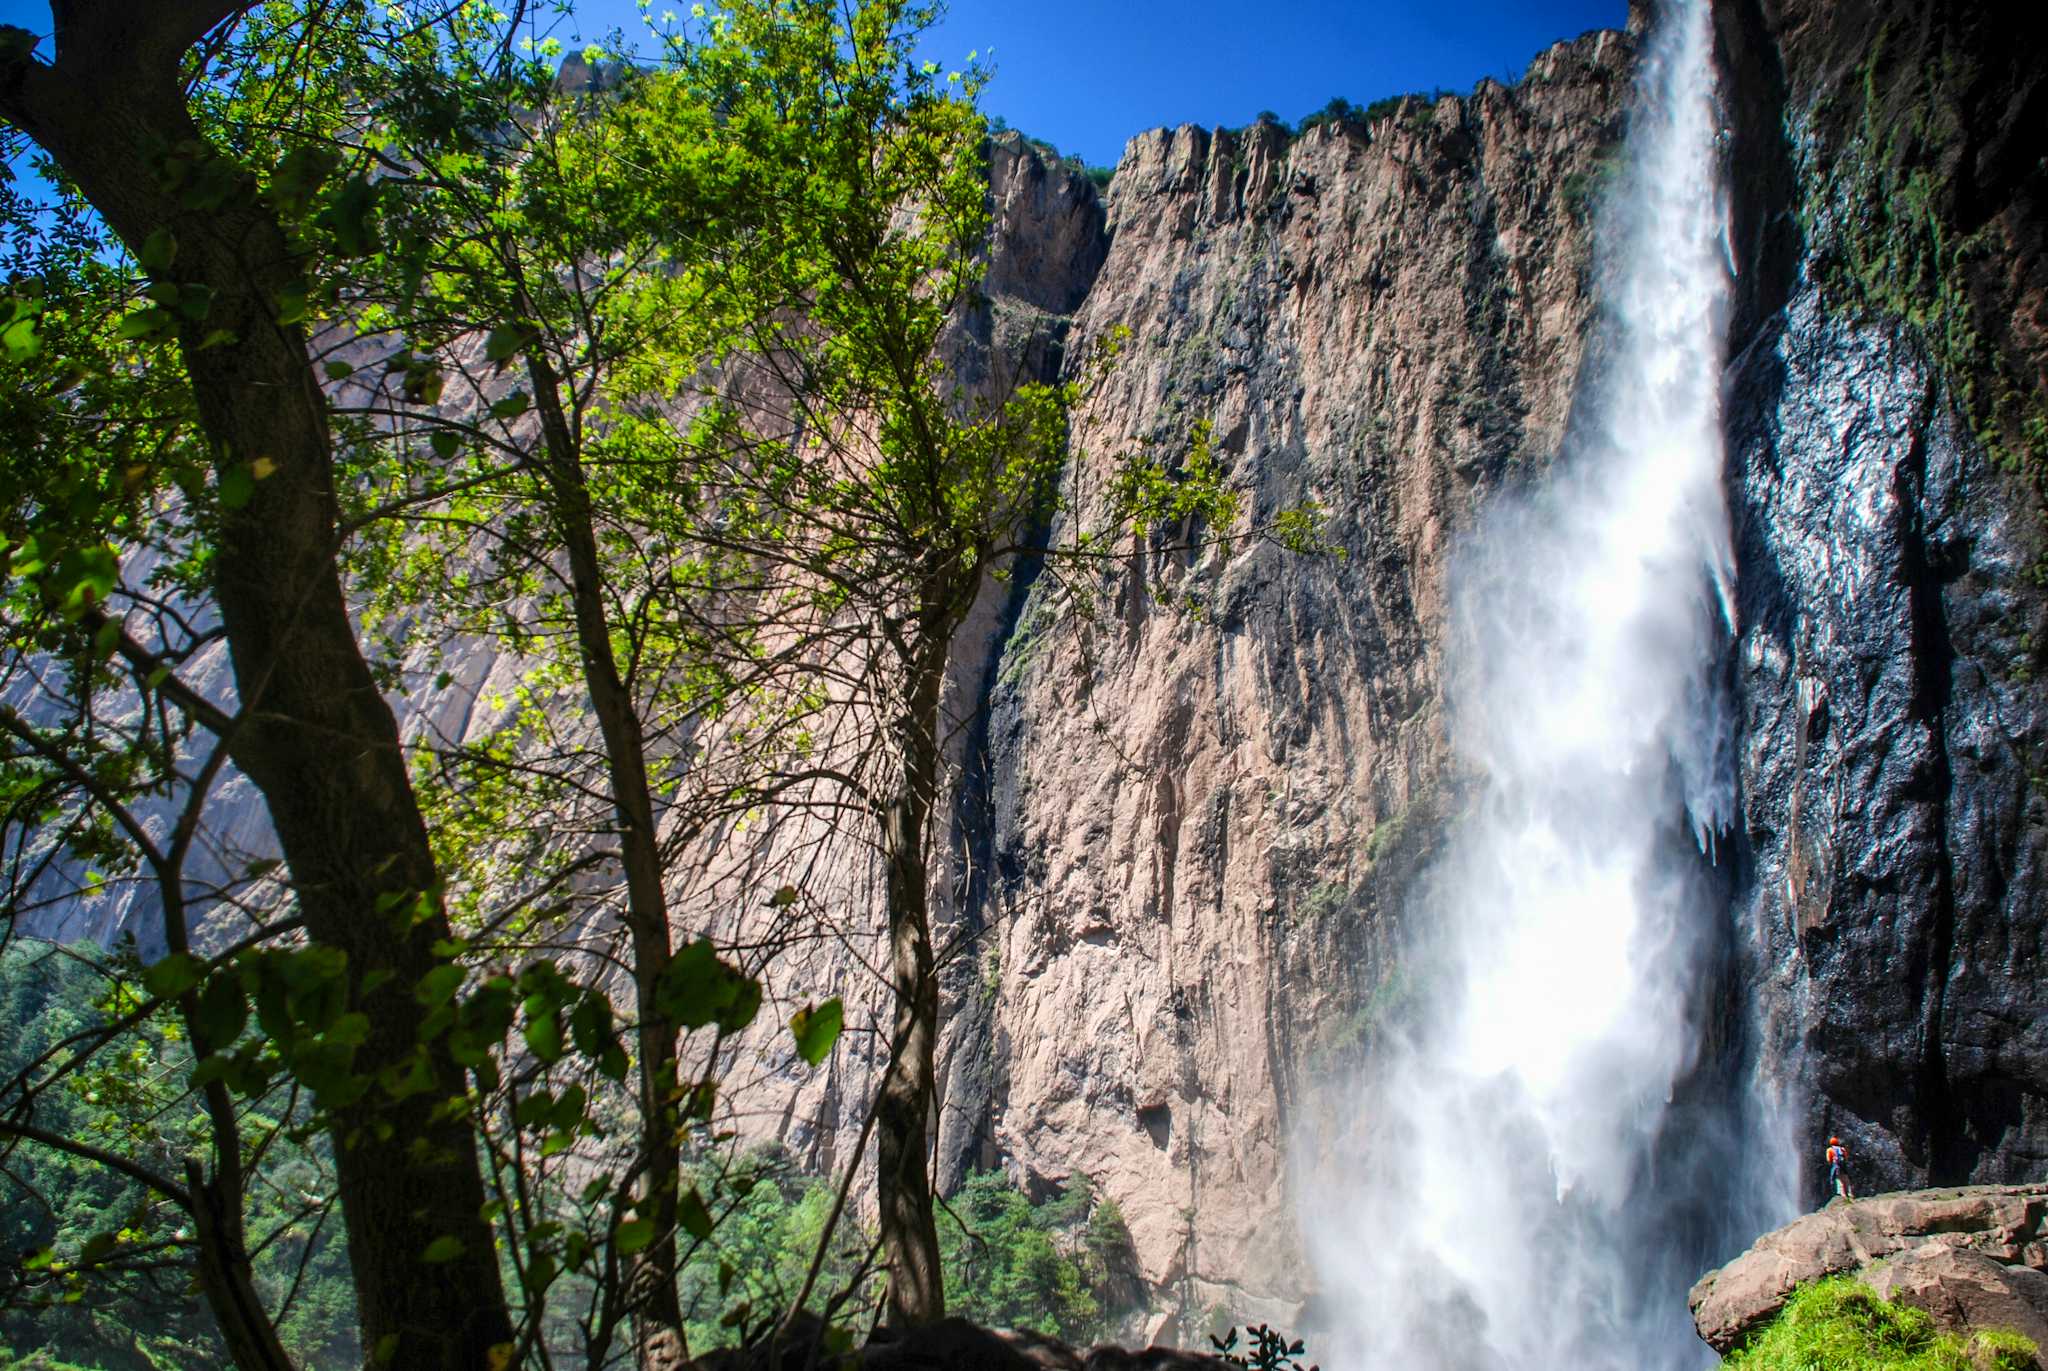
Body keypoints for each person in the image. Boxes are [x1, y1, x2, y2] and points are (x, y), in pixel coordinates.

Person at [1826, 1136, 1854, 1201]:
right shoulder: (1842, 1149)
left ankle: (1843, 1196)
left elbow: (1828, 1159)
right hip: (1843, 1166)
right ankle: (1850, 1193)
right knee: (1846, 1180)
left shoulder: (1830, 1150)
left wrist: (1832, 1162)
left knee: (1839, 1180)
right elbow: (1846, 1158)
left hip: (1836, 1166)